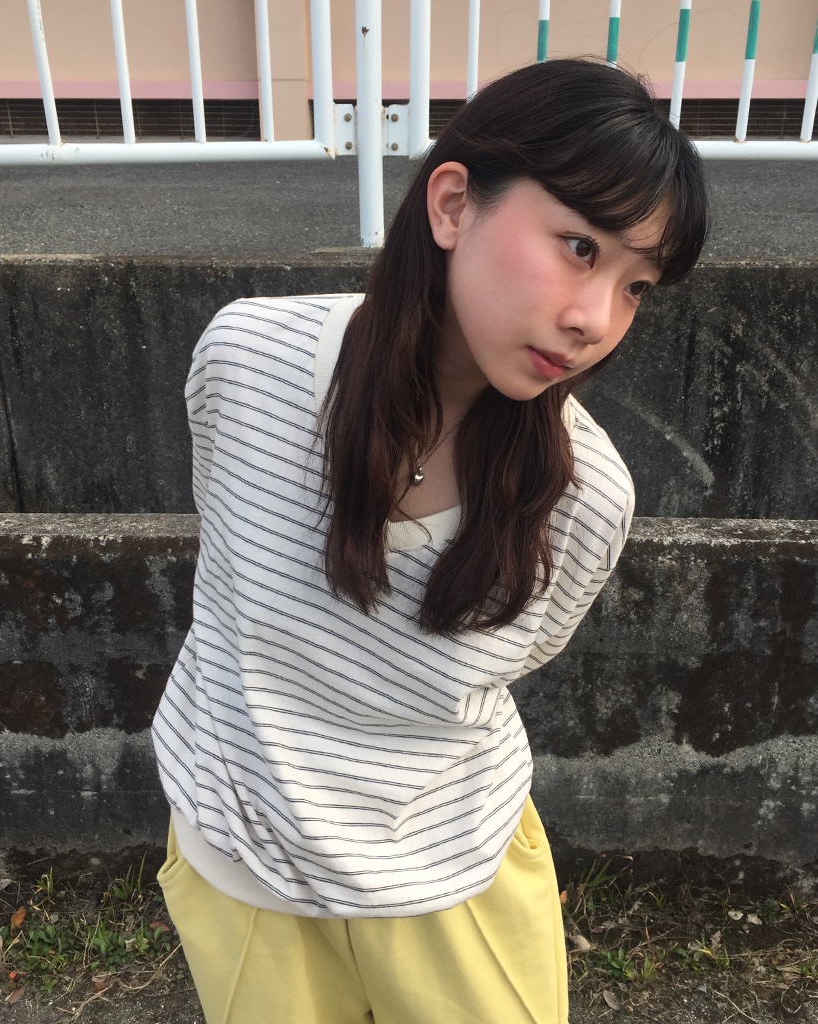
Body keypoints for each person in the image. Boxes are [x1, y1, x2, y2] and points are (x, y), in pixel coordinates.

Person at [151, 57, 708, 1024]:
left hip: (449, 877)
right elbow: (234, 567)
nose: (595, 320)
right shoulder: (246, 361)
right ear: (452, 204)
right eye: (581, 247)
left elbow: (517, 659)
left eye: (638, 287)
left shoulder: (583, 498)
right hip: (237, 857)